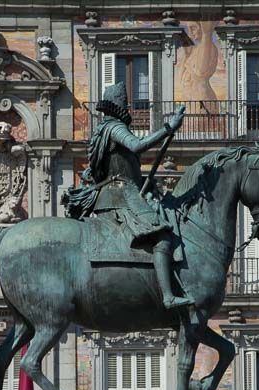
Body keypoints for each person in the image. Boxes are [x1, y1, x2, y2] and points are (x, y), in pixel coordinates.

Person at [66, 82, 193, 309]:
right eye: (125, 103)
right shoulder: (115, 128)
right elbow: (137, 145)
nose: (128, 107)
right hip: (122, 195)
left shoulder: (102, 131)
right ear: (117, 105)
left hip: (113, 192)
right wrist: (168, 127)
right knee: (162, 236)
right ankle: (168, 296)